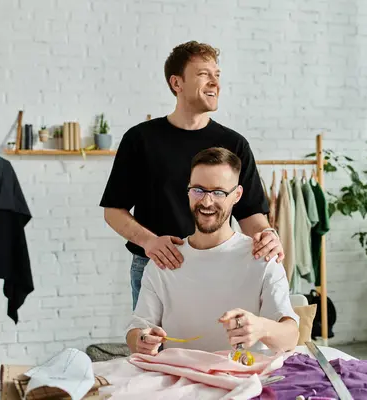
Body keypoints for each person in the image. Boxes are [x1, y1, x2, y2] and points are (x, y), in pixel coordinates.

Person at [100, 41, 284, 309]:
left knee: (219, 347)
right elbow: (113, 210)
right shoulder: (140, 139)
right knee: (155, 349)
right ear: (177, 83)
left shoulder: (234, 144)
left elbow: (250, 213)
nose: (214, 83)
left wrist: (267, 235)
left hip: (220, 265)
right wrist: (150, 242)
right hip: (156, 265)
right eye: (203, 74)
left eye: (217, 75)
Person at [125, 148, 299, 355]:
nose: (206, 202)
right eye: (198, 190)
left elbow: (291, 337)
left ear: (237, 195)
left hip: (244, 380)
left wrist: (261, 327)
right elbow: (136, 330)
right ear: (188, 191)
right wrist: (142, 340)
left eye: (218, 192)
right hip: (181, 380)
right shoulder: (164, 260)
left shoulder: (262, 257)